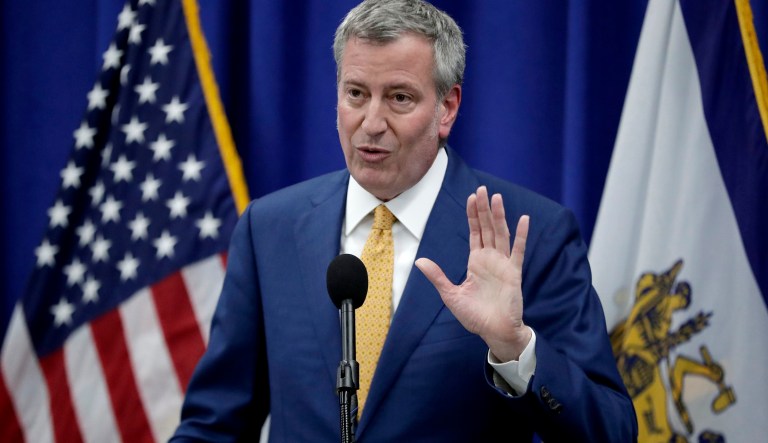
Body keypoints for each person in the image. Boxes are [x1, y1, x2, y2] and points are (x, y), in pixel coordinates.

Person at [171, 0, 638, 441]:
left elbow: (612, 430)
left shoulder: (530, 235)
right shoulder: (269, 229)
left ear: (447, 109)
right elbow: (214, 425)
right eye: (356, 94)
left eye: (398, 98)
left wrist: (516, 350)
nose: (371, 123)